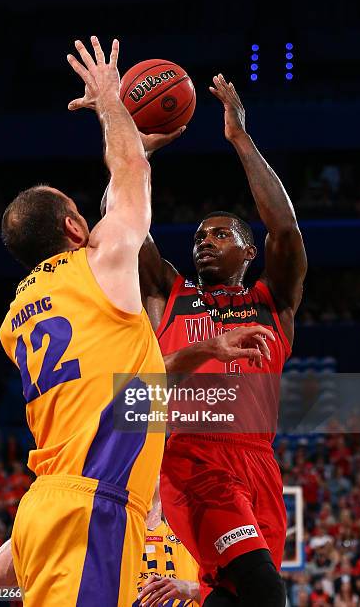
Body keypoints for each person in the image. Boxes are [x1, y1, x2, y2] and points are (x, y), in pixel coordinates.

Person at [0, 35, 168, 607]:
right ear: (76, 231)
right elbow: (128, 179)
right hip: (93, 502)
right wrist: (110, 103)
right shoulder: (100, 264)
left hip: (46, 507)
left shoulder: (16, 317)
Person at [135, 76, 308, 606]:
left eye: (219, 235)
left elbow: (285, 229)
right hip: (194, 459)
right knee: (264, 591)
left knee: (230, 595)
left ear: (248, 250)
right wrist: (134, 158)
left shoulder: (271, 300)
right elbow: (126, 232)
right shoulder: (169, 293)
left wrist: (239, 138)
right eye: (197, 237)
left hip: (258, 462)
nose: (203, 242)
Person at [0, 481, 201, 606]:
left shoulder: (193, 532)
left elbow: (233, 594)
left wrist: (191, 589)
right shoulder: (91, 527)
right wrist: (54, 510)